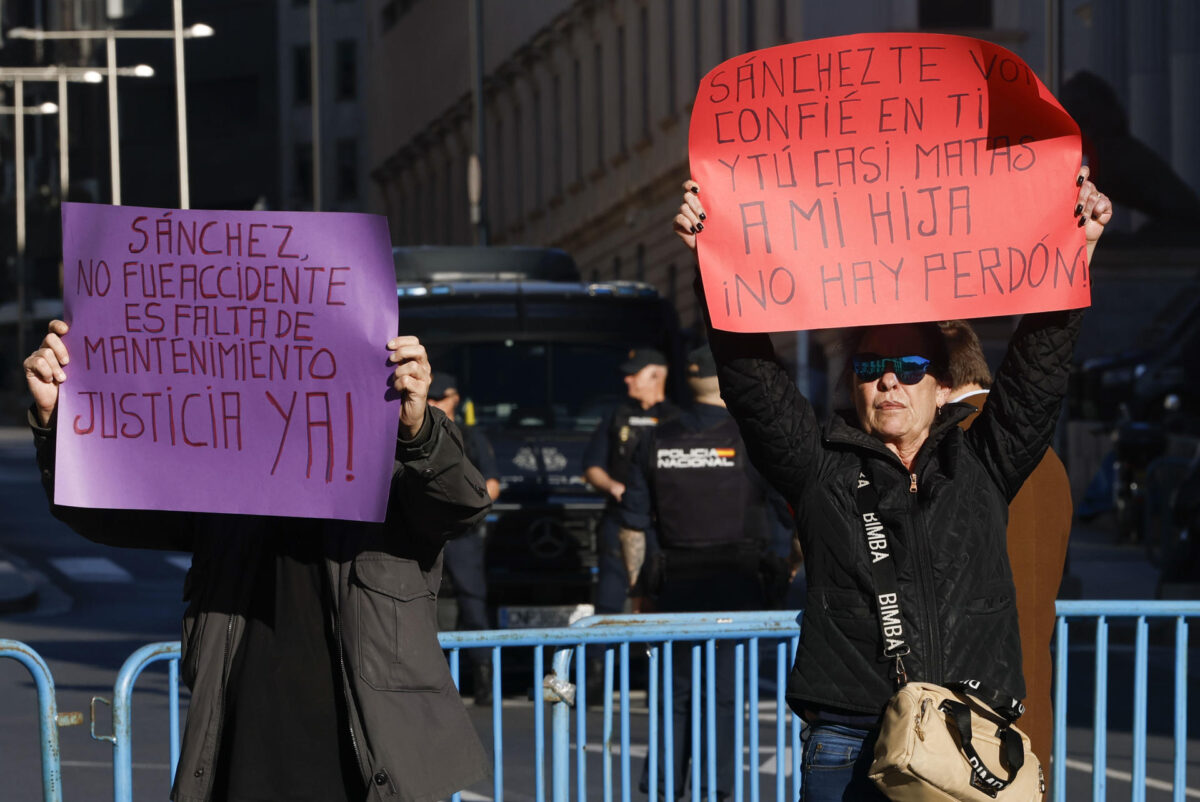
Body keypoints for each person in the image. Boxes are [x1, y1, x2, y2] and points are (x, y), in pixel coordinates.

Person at [672, 167, 1111, 800]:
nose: (888, 381)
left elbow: (1037, 373)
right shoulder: (817, 467)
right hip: (851, 739)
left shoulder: (982, 461)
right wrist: (712, 264)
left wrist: (1076, 251)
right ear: (853, 384)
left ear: (941, 386)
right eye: (871, 367)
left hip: (966, 734)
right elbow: (753, 385)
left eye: (908, 367)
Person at [23, 320, 493, 802]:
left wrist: (419, 434)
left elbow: (462, 504)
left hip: (368, 770)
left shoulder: (391, 463)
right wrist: (57, 421)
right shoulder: (222, 473)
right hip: (241, 762)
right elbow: (107, 507)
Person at [618, 344, 791, 799]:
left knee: (670, 697)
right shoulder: (752, 440)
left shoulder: (655, 439)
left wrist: (638, 591)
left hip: (673, 588)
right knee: (724, 697)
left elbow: (632, 526)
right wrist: (789, 568)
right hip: (738, 587)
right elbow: (791, 515)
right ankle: (717, 792)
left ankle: (663, 790)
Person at [939, 318, 1073, 784]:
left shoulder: (950, 449)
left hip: (961, 722)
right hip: (1030, 711)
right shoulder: (1049, 459)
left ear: (938, 381)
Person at [583, 347, 677, 617]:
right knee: (609, 600)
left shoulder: (677, 419)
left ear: (656, 376)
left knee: (663, 598)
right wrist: (613, 486)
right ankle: (604, 647)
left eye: (635, 374)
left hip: (663, 524)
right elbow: (592, 467)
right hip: (621, 516)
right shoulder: (617, 416)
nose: (627, 379)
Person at [428, 372, 503, 705]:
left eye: (440, 398)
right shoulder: (412, 431)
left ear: (455, 398)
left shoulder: (471, 437)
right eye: (430, 398)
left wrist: (465, 508)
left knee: (473, 605)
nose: (433, 403)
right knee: (423, 605)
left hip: (461, 533)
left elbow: (492, 485)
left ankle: (484, 679)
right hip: (426, 531)